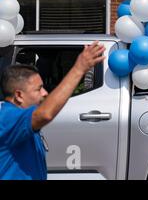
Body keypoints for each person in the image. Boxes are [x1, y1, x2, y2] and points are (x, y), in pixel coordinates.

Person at [0, 41, 105, 180]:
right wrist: (79, 68)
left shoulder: (21, 119)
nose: (44, 93)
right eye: (38, 89)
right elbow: (45, 114)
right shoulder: (8, 117)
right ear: (19, 95)